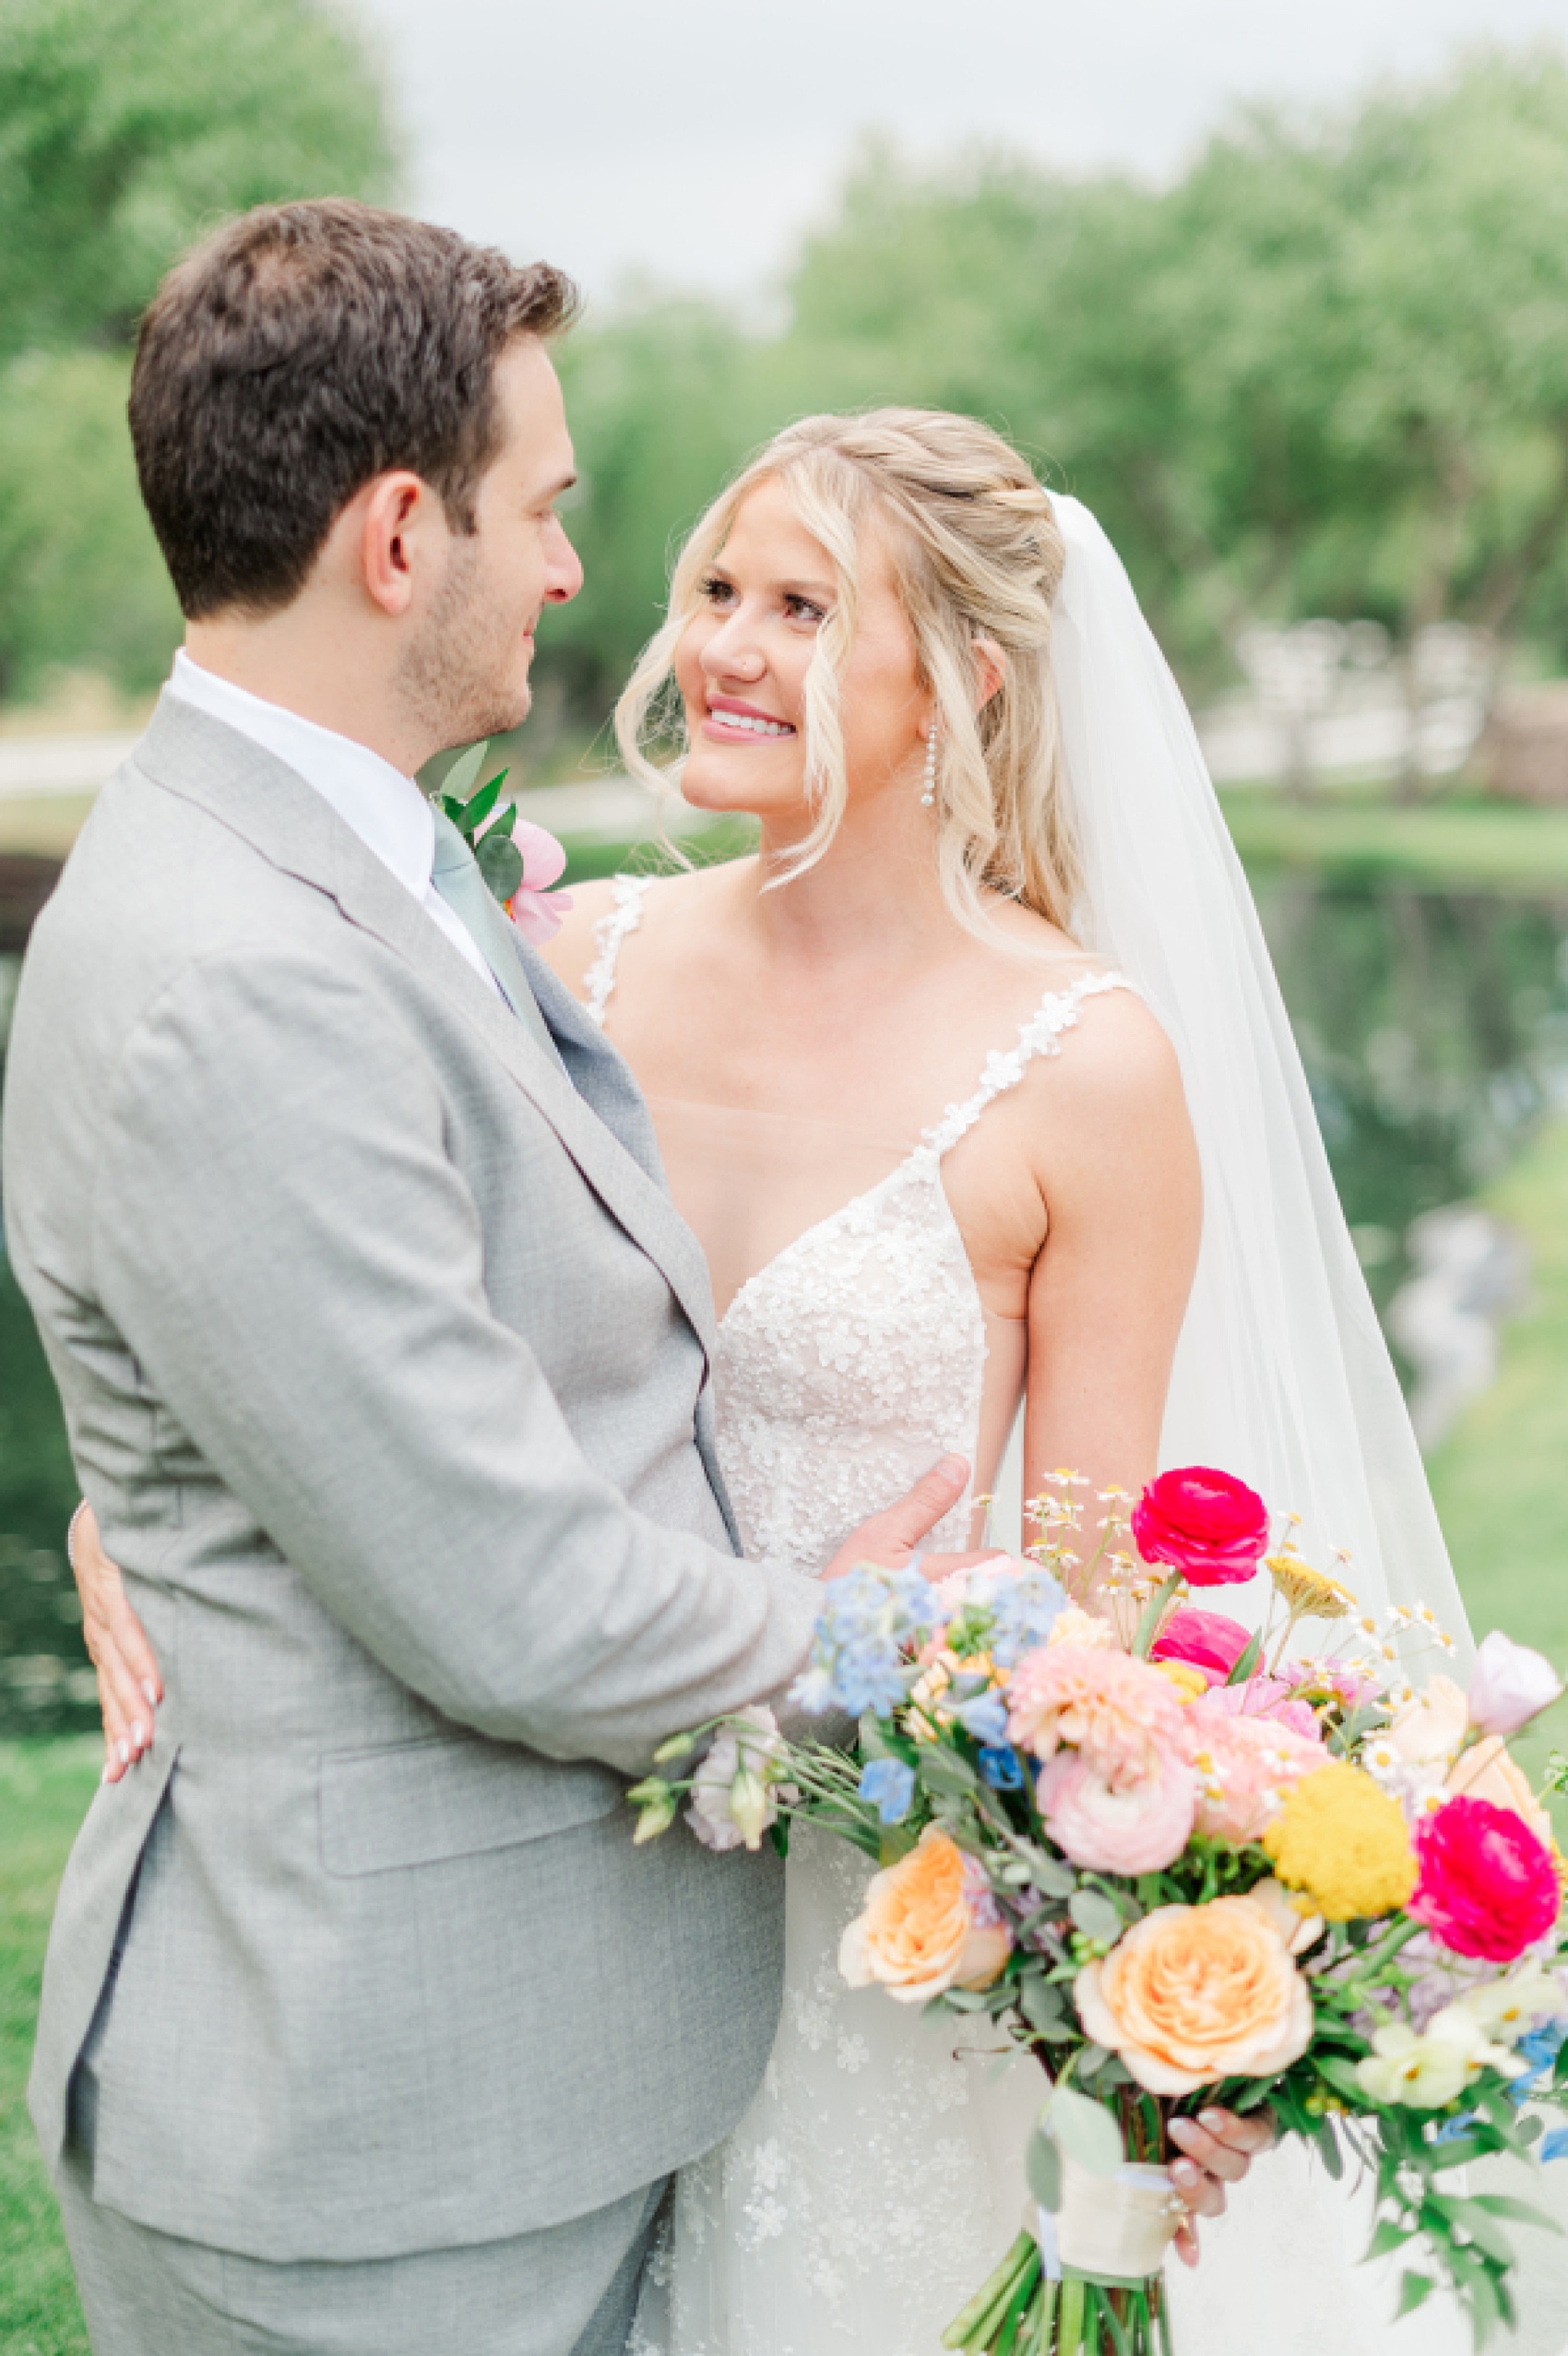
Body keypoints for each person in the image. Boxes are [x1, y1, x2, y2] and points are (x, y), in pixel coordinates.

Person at [2, 203, 1004, 2356]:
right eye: (541, 511)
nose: (575, 571)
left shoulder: (349, 852)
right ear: (395, 535)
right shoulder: (238, 971)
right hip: (375, 2144)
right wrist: (881, 1636)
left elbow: (352, 1352)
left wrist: (151, 1475)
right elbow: (509, 1594)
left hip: (526, 2074)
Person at [527, 409, 1475, 2356]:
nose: (720, 642)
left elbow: (1099, 1594)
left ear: (959, 674)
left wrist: (1138, 1988)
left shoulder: (1084, 1067)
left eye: (799, 604)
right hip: (542, 1845)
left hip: (870, 1910)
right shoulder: (564, 958)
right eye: (714, 587)